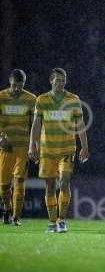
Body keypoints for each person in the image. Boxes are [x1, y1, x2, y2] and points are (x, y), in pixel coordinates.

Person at [28, 68, 89, 233]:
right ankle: (52, 222)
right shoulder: (42, 100)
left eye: (63, 80)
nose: (61, 83)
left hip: (67, 148)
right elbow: (36, 124)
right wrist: (32, 145)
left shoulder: (73, 99)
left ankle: (62, 220)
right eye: (58, 80)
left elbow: (80, 125)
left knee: (64, 182)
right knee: (50, 186)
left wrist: (85, 146)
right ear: (51, 81)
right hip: (47, 149)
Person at [0, 69, 36, 226]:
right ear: (10, 82)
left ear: (24, 84)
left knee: (19, 181)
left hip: (23, 146)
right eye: (14, 85)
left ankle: (16, 216)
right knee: (4, 185)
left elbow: (36, 123)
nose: (17, 89)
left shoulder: (31, 99)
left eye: (20, 86)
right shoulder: (1, 97)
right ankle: (7, 209)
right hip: (5, 147)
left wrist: (34, 145)